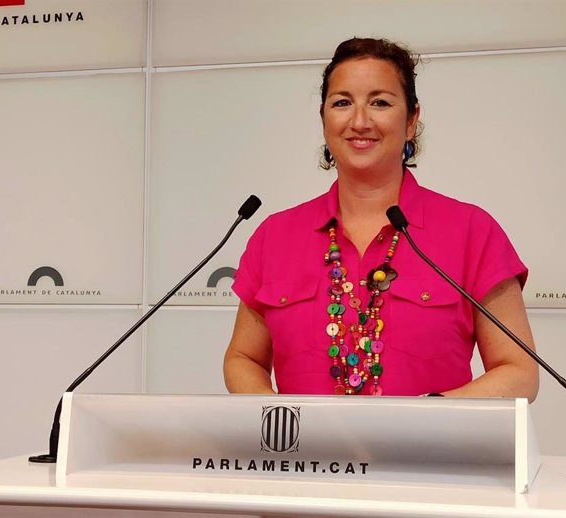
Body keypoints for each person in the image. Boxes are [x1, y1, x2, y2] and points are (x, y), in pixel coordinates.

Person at [223, 37, 539, 400]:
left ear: (411, 120)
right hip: (307, 456)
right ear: (324, 120)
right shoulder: (274, 236)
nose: (359, 121)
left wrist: (427, 421)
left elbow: (519, 372)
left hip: (430, 454)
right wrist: (283, 422)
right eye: (342, 103)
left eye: (380, 103)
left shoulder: (472, 231)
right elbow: (242, 357)